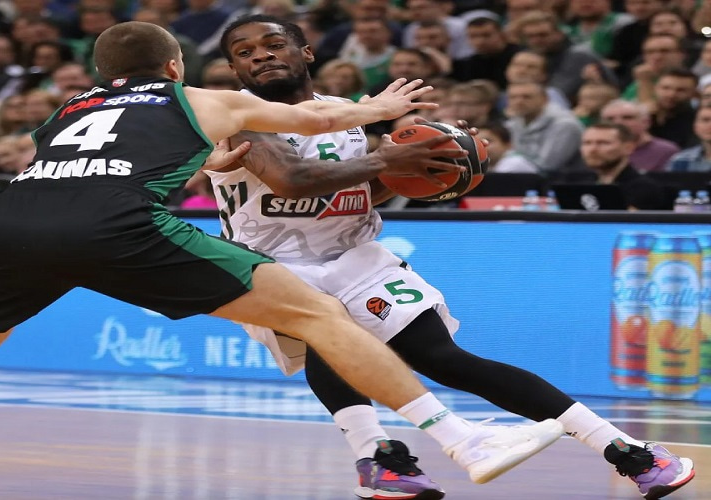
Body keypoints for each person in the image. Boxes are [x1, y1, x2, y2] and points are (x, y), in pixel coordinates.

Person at [0, 22, 565, 500]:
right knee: (319, 314)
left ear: (104, 75)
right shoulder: (199, 98)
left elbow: (101, 163)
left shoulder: (69, 110)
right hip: (117, 226)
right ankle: (462, 440)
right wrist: (380, 110)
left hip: (15, 218)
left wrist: (205, 162)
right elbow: (312, 120)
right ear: (176, 65)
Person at [205, 15, 695, 500]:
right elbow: (292, 181)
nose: (261, 55)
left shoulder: (345, 113)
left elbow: (359, 193)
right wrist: (387, 160)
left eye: (273, 44)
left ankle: (627, 450)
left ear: (307, 52)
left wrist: (430, 165)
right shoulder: (239, 117)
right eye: (245, 53)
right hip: (273, 266)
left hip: (354, 254)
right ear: (234, 70)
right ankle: (380, 460)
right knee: (325, 337)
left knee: (445, 358)